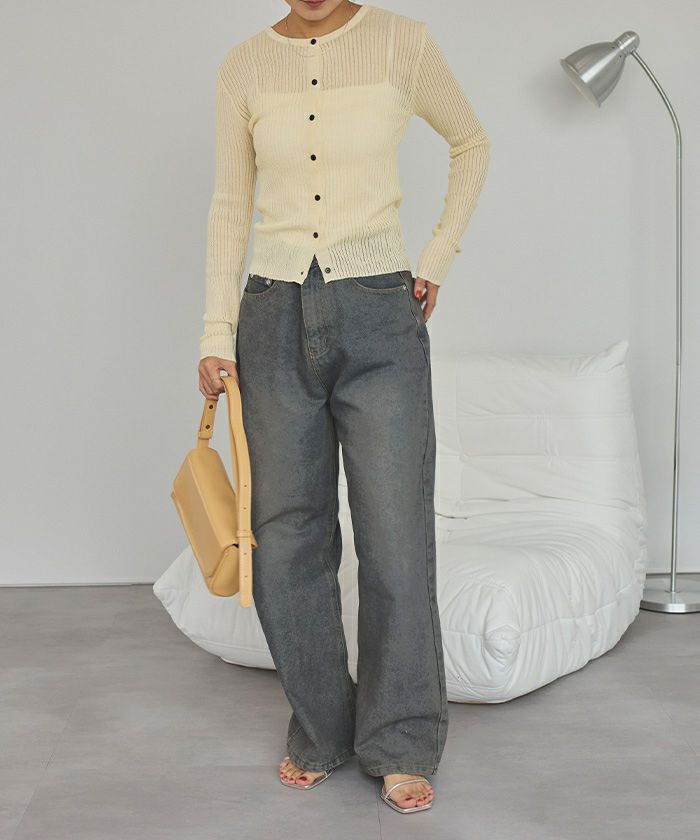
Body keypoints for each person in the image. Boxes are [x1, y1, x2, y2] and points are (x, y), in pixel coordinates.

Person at [197, 0, 490, 814]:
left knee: (394, 534)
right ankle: (323, 728)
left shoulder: (403, 43)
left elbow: (471, 142)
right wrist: (215, 331)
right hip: (271, 315)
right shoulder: (244, 65)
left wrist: (436, 256)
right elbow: (230, 203)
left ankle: (400, 738)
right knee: (287, 536)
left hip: (379, 311)